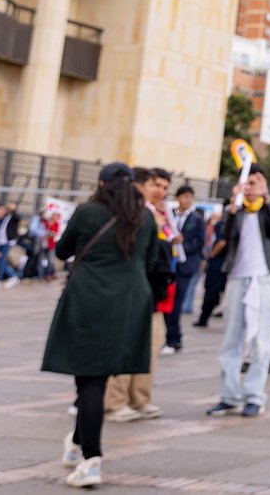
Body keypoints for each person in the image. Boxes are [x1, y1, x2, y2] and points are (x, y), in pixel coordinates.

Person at [41, 162, 160, 489]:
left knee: (90, 381)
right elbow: (151, 262)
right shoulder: (145, 217)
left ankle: (91, 460)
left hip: (89, 299)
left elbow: (62, 250)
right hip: (131, 301)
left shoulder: (88, 211)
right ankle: (78, 442)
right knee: (99, 377)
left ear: (101, 183)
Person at [207, 164, 270, 418]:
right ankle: (228, 395)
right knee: (230, 341)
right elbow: (225, 234)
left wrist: (265, 197)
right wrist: (234, 204)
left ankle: (255, 395)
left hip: (264, 280)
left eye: (254, 182)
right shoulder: (236, 210)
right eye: (247, 183)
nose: (250, 188)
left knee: (262, 341)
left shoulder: (268, 210)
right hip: (237, 278)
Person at [105, 167, 177, 422]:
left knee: (151, 344)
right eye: (155, 185)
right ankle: (116, 401)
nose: (160, 191)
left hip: (156, 290)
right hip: (136, 288)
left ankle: (140, 398)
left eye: (165, 188)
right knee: (126, 344)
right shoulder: (135, 213)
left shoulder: (161, 214)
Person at [169, 185, 206, 345]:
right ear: (178, 198)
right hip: (168, 264)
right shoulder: (169, 216)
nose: (187, 200)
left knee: (177, 302)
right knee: (167, 301)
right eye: (185, 196)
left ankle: (174, 338)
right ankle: (171, 335)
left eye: (190, 197)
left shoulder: (196, 219)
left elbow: (199, 242)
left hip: (185, 265)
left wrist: (181, 247)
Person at [193, 212, 228, 329]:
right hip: (225, 265)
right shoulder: (230, 223)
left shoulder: (223, 224)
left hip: (219, 265)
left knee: (210, 293)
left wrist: (212, 255)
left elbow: (222, 242)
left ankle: (203, 319)